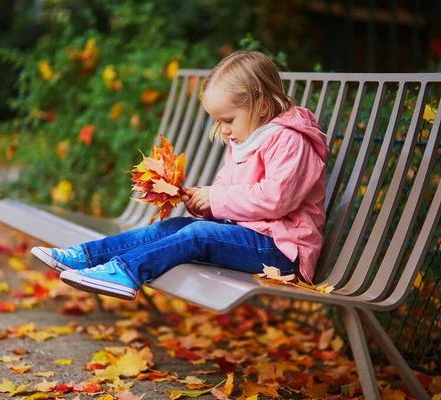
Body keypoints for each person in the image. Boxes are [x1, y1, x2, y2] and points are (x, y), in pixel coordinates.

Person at [30, 50, 329, 300]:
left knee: (198, 235)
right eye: (219, 121)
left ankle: (126, 273)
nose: (224, 130)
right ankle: (88, 256)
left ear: (261, 106)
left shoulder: (290, 140)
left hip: (282, 252)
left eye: (228, 120)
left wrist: (216, 197)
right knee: (171, 227)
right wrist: (204, 202)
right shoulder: (246, 135)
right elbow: (228, 190)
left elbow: (276, 199)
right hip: (250, 238)